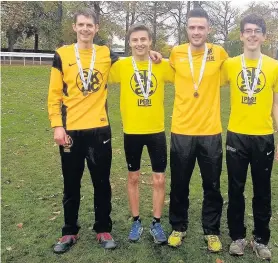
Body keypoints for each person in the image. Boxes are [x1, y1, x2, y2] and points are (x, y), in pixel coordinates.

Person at [48, 9, 162, 254]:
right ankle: (69, 231)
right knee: (71, 183)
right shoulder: (62, 54)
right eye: (82, 25)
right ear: (75, 27)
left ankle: (103, 229)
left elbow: (135, 58)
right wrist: (57, 124)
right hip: (70, 131)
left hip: (100, 130)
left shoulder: (106, 53)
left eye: (90, 25)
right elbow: (54, 94)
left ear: (97, 28)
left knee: (102, 183)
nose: (86, 29)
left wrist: (151, 53)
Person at [220, 14, 278, 260]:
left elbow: (277, 104)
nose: (252, 35)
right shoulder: (229, 65)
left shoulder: (274, 66)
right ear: (241, 35)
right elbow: (205, 78)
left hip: (263, 137)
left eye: (257, 31)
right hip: (236, 135)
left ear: (264, 36)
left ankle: (261, 240)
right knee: (236, 189)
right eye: (247, 30)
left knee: (262, 190)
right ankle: (237, 237)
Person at [167, 8, 228, 252]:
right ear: (187, 29)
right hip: (181, 129)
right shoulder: (176, 53)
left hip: (211, 131)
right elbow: (163, 69)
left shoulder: (219, 53)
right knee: (179, 183)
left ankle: (211, 230)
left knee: (212, 184)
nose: (196, 32)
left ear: (208, 29)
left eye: (200, 27)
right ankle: (178, 227)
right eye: (192, 27)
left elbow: (234, 71)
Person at [109, 23, 174, 244]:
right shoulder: (121, 66)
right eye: (135, 40)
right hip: (132, 131)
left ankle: (156, 223)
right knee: (133, 177)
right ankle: (136, 221)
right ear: (129, 43)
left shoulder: (161, 65)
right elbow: (98, 66)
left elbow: (183, 70)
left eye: (143, 40)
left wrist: (160, 55)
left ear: (150, 42)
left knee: (159, 179)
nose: (139, 44)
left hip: (156, 131)